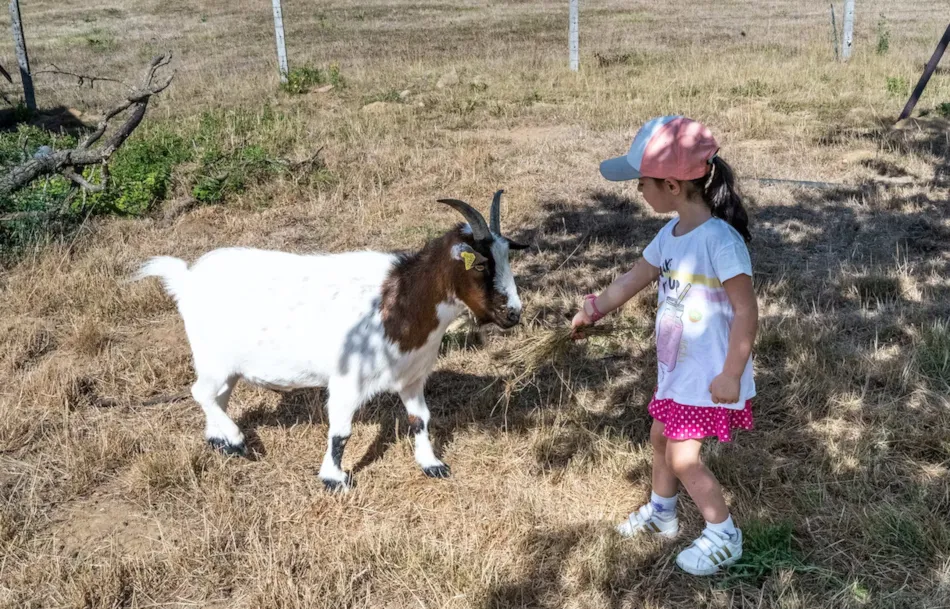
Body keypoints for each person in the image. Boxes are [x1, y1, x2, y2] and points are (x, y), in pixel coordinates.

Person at [572, 115, 757, 575]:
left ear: (672, 185)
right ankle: (662, 513)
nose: (638, 190)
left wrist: (731, 373)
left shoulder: (720, 242)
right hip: (678, 371)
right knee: (660, 438)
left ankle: (724, 535)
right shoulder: (669, 235)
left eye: (642, 183)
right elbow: (632, 279)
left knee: (682, 456)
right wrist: (594, 309)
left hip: (708, 376)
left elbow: (746, 311)